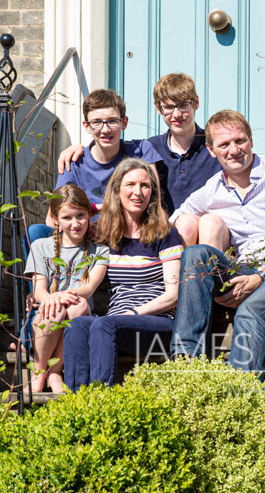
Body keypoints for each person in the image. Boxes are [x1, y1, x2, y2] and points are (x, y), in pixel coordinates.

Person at [57, 74, 265, 244]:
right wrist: (78, 147)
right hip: (168, 229)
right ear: (159, 110)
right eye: (168, 108)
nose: (177, 114)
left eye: (183, 106)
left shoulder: (215, 145)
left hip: (211, 231)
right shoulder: (149, 148)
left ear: (196, 104)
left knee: (196, 222)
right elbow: (109, 141)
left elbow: (241, 158)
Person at [170, 110, 265, 378]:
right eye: (224, 144)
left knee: (249, 313)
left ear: (251, 141)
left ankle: (241, 396)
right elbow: (175, 220)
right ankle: (186, 363)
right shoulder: (212, 189)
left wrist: (261, 276)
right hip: (243, 269)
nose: (234, 150)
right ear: (212, 151)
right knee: (197, 253)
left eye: (240, 141)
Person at [62, 157, 183, 390]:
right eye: (130, 185)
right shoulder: (106, 234)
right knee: (76, 325)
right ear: (117, 190)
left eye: (145, 185)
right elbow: (64, 225)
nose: (138, 192)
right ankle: (75, 406)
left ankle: (101, 402)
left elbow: (174, 294)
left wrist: (133, 313)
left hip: (157, 324)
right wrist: (46, 293)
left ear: (153, 193)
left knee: (102, 325)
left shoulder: (165, 233)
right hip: (113, 324)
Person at [25, 88, 158, 252]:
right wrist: (86, 226)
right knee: (36, 232)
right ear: (86, 126)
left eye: (112, 121)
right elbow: (52, 218)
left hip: (127, 232)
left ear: (124, 123)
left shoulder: (140, 150)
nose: (105, 129)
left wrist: (108, 220)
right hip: (84, 236)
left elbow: (152, 196)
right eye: (97, 122)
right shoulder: (74, 162)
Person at [24, 184, 109, 393]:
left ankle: (55, 370)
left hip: (79, 313)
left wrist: (59, 296)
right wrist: (52, 299)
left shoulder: (100, 250)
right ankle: (40, 369)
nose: (75, 224)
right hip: (44, 316)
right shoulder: (40, 247)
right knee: (54, 309)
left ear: (89, 214)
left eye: (80, 216)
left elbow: (88, 289)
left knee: (77, 306)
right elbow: (39, 291)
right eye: (67, 218)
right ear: (55, 219)